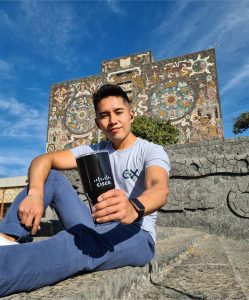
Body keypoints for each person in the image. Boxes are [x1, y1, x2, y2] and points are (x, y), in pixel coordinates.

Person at [0, 84, 170, 296]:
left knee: (81, 241)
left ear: (131, 115)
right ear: (98, 123)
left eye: (119, 112)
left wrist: (134, 207)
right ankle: (6, 239)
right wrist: (35, 193)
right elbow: (44, 159)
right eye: (104, 115)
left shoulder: (150, 151)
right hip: (95, 223)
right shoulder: (93, 151)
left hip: (136, 232)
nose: (113, 120)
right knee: (49, 178)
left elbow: (159, 188)